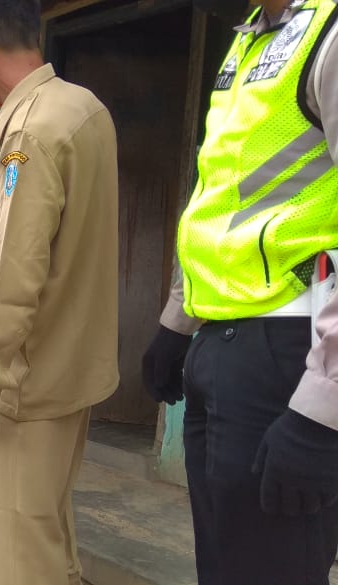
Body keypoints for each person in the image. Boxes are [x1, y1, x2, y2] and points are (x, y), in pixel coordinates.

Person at [141, 0, 338, 582]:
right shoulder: (250, 40)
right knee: (225, 564)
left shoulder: (329, 31)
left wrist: (324, 405)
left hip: (294, 346)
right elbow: (219, 193)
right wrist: (177, 323)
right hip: (221, 342)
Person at [0, 2, 120, 584]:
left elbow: (21, 267)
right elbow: (55, 247)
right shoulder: (82, 107)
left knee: (17, 559)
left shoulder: (28, 132)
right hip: (72, 369)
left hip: (27, 380)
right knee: (50, 538)